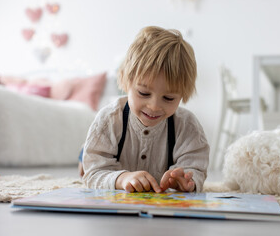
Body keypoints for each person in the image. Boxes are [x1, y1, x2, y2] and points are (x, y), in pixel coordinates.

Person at [81, 26, 209, 193]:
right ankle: (82, 152)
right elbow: (93, 173)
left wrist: (185, 180)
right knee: (84, 165)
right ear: (126, 82)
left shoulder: (188, 126)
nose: (154, 106)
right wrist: (122, 178)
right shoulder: (109, 120)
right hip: (104, 146)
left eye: (169, 98)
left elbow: (196, 169)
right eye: (143, 93)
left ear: (182, 95)